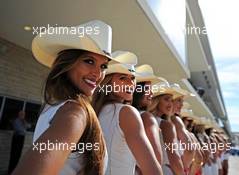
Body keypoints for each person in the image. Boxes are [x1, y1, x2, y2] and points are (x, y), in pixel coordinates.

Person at [12, 20, 115, 175]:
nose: (98, 74)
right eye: (89, 61)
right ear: (68, 63)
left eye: (103, 66)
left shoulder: (53, 107)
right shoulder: (74, 111)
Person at [92, 51, 162, 175]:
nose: (130, 83)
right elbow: (153, 171)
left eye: (133, 78)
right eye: (123, 78)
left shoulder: (93, 111)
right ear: (107, 82)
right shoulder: (126, 112)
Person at [148, 79, 185, 175]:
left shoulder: (142, 117)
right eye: (166, 99)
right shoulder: (166, 125)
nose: (170, 104)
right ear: (156, 100)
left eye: (172, 100)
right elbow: (174, 158)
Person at [132, 64, 164, 174]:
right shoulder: (146, 117)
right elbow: (156, 158)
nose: (151, 93)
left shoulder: (123, 113)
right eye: (147, 89)